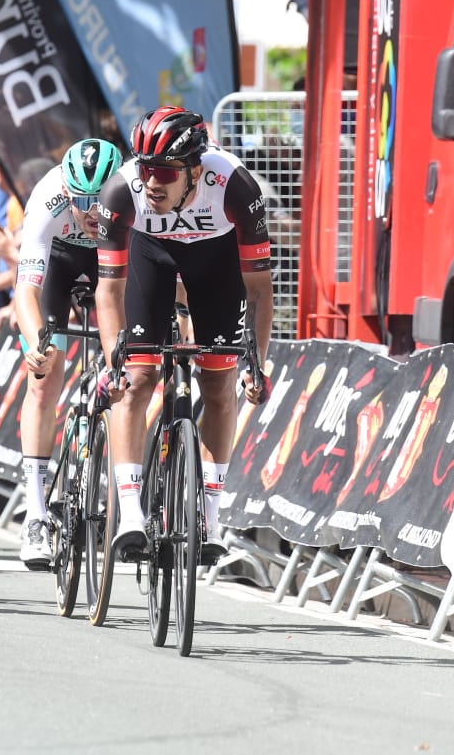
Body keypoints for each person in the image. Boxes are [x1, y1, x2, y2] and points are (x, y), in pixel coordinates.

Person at [96, 106, 273, 565]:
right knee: (136, 379)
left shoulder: (235, 186)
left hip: (215, 262)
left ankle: (210, 515)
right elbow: (109, 290)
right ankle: (132, 513)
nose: (151, 181)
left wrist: (259, 361)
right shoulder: (121, 191)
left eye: (163, 172)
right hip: (148, 257)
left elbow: (258, 288)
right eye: (145, 168)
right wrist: (113, 360)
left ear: (195, 170)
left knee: (219, 383)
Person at [10, 137, 122, 568]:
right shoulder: (48, 197)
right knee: (44, 380)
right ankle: (36, 513)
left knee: (131, 357)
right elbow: (25, 290)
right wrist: (37, 341)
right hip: (59, 260)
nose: (93, 210)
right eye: (84, 200)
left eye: (101, 199)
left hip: (111, 262)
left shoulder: (131, 194)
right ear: (68, 191)